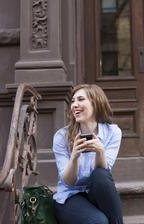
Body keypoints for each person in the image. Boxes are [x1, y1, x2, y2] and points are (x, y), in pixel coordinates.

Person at [52, 84, 123, 224]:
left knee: (101, 174)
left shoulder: (113, 132)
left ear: (95, 103)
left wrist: (100, 151)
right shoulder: (61, 136)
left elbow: (103, 174)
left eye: (80, 99)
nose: (74, 105)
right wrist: (74, 157)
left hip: (95, 192)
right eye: (73, 101)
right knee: (100, 221)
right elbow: (68, 181)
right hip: (69, 196)